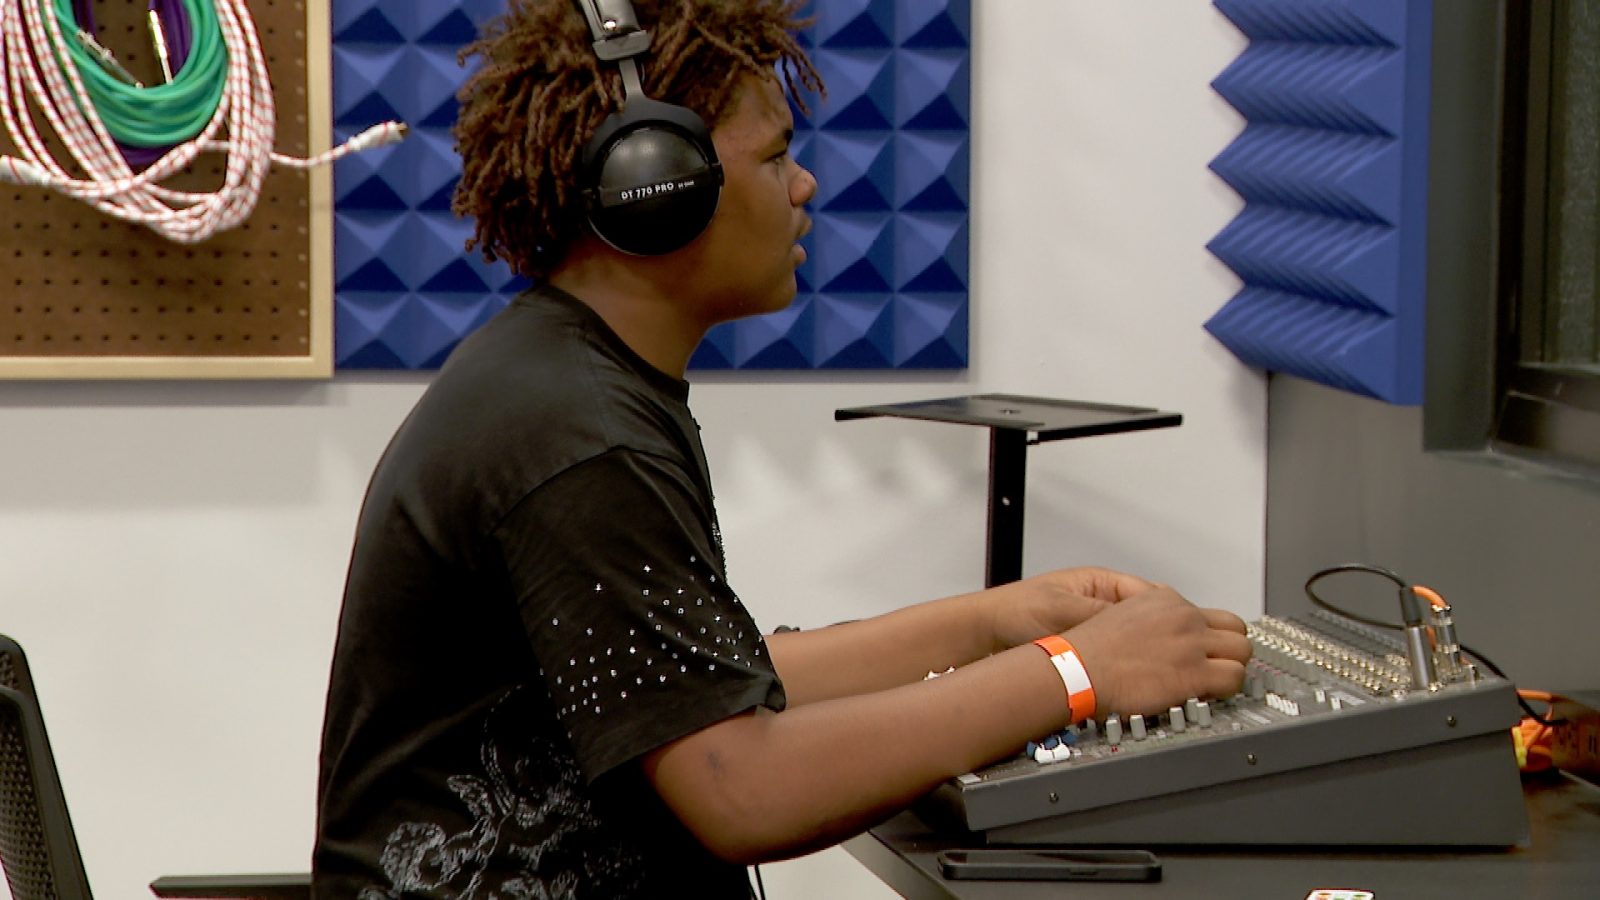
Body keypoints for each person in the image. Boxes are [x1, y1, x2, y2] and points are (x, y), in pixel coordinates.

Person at [312, 1, 1253, 897]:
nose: (803, 186)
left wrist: (1002, 619)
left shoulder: (566, 380)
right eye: (776, 156)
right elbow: (741, 787)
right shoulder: (576, 437)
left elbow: (701, 687)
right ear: (655, 189)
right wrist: (1077, 676)